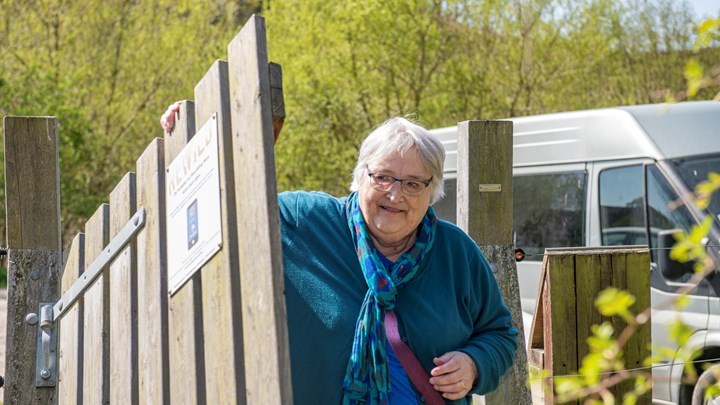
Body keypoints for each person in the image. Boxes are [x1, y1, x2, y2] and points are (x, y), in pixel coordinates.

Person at [161, 105, 518, 404]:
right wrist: (197, 138)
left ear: (432, 190)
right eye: (383, 177)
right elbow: (228, 205)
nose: (395, 195)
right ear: (360, 175)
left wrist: (474, 364)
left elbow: (500, 333)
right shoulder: (305, 221)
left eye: (412, 183)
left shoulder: (455, 251)